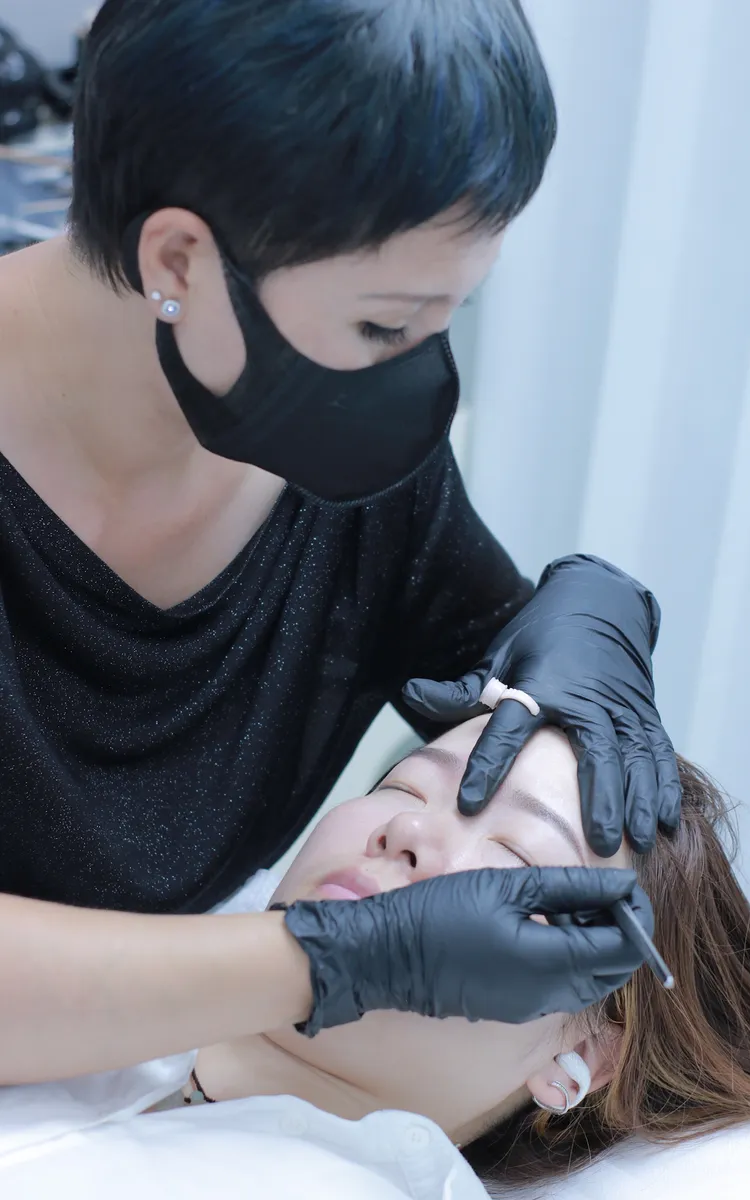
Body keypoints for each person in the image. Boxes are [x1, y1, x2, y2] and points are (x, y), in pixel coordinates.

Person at [0, 0, 679, 1083]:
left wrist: (593, 607)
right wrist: (325, 962)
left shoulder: (341, 465)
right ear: (178, 259)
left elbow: (509, 700)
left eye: (446, 316)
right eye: (383, 326)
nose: (419, 375)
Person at [1, 718, 750, 1199]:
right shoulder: (81, 944)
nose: (406, 832)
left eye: (515, 860)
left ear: (582, 1053)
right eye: (407, 787)